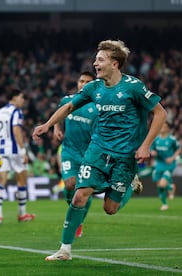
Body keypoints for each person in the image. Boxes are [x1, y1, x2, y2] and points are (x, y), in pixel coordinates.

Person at [32, 39, 167, 261]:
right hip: (98, 149)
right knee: (79, 196)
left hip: (125, 155)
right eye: (95, 59)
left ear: (115, 64)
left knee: (110, 208)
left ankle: (130, 183)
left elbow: (160, 113)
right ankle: (65, 249)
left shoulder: (133, 87)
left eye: (100, 60)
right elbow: (68, 106)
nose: (95, 63)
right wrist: (47, 125)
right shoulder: (93, 88)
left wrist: (145, 145)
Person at [53, 71, 96, 238]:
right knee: (70, 184)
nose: (83, 84)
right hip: (69, 151)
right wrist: (56, 128)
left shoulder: (97, 106)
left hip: (88, 154)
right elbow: (59, 114)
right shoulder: (67, 100)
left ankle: (78, 221)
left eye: (87, 82)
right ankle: (74, 212)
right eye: (81, 81)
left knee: (85, 189)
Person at [0, 88, 35, 223]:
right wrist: (23, 151)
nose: (23, 100)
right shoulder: (16, 112)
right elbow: (16, 130)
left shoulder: (0, 111)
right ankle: (22, 213)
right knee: (22, 179)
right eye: (21, 97)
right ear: (14, 98)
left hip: (0, 151)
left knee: (0, 181)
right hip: (14, 151)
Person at [150, 121, 180, 211]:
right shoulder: (156, 139)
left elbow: (178, 149)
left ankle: (165, 202)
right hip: (159, 164)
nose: (162, 128)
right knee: (159, 185)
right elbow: (152, 148)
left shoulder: (172, 139)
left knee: (162, 184)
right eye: (161, 126)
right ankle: (169, 190)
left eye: (164, 126)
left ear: (168, 128)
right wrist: (152, 152)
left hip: (169, 165)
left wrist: (172, 157)